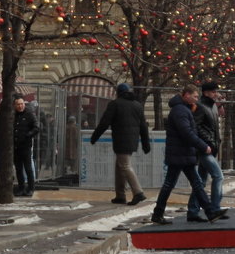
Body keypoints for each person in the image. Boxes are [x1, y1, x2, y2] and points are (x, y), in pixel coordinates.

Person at [149, 85, 223, 225]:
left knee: (195, 184)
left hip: (183, 153)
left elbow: (188, 132)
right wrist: (203, 146)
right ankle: (158, 213)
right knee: (176, 184)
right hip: (180, 153)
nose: (196, 99)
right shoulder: (180, 111)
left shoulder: (183, 109)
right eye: (195, 96)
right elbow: (187, 133)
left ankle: (209, 212)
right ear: (186, 95)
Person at [89, 82, 151, 205]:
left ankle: (138, 192)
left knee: (125, 166)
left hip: (121, 140)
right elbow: (143, 126)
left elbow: (104, 123)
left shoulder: (115, 104)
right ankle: (120, 195)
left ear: (118, 93)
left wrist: (94, 137)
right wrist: (146, 143)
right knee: (119, 166)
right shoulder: (137, 105)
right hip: (132, 140)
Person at [188, 81, 227, 222]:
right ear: (206, 93)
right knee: (218, 176)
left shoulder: (213, 107)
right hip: (205, 149)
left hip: (212, 147)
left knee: (201, 182)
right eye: (213, 92)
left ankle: (192, 211)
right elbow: (196, 127)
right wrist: (209, 141)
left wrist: (216, 142)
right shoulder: (200, 107)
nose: (215, 94)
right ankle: (215, 208)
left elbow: (214, 128)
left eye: (216, 91)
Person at [12, 96, 40, 196]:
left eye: (21, 104)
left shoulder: (29, 115)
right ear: (15, 105)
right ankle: (21, 188)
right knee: (18, 169)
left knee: (28, 168)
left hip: (26, 146)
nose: (20, 106)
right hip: (16, 147)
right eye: (18, 104)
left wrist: (28, 135)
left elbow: (36, 128)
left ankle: (31, 188)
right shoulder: (14, 115)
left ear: (24, 104)